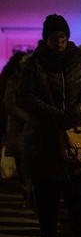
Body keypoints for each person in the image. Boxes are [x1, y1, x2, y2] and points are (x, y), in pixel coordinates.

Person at [19, 14, 81, 237]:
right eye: (54, 36)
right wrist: (55, 115)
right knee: (47, 201)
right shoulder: (34, 64)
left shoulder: (80, 61)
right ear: (46, 38)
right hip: (45, 140)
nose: (59, 41)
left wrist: (76, 112)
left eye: (63, 36)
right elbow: (26, 96)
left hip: (76, 138)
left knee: (79, 200)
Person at [4, 52, 33, 208]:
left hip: (34, 129)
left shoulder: (36, 81)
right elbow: (10, 105)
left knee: (32, 164)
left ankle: (31, 194)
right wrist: (28, 117)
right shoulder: (14, 81)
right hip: (20, 129)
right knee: (23, 165)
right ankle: (27, 194)